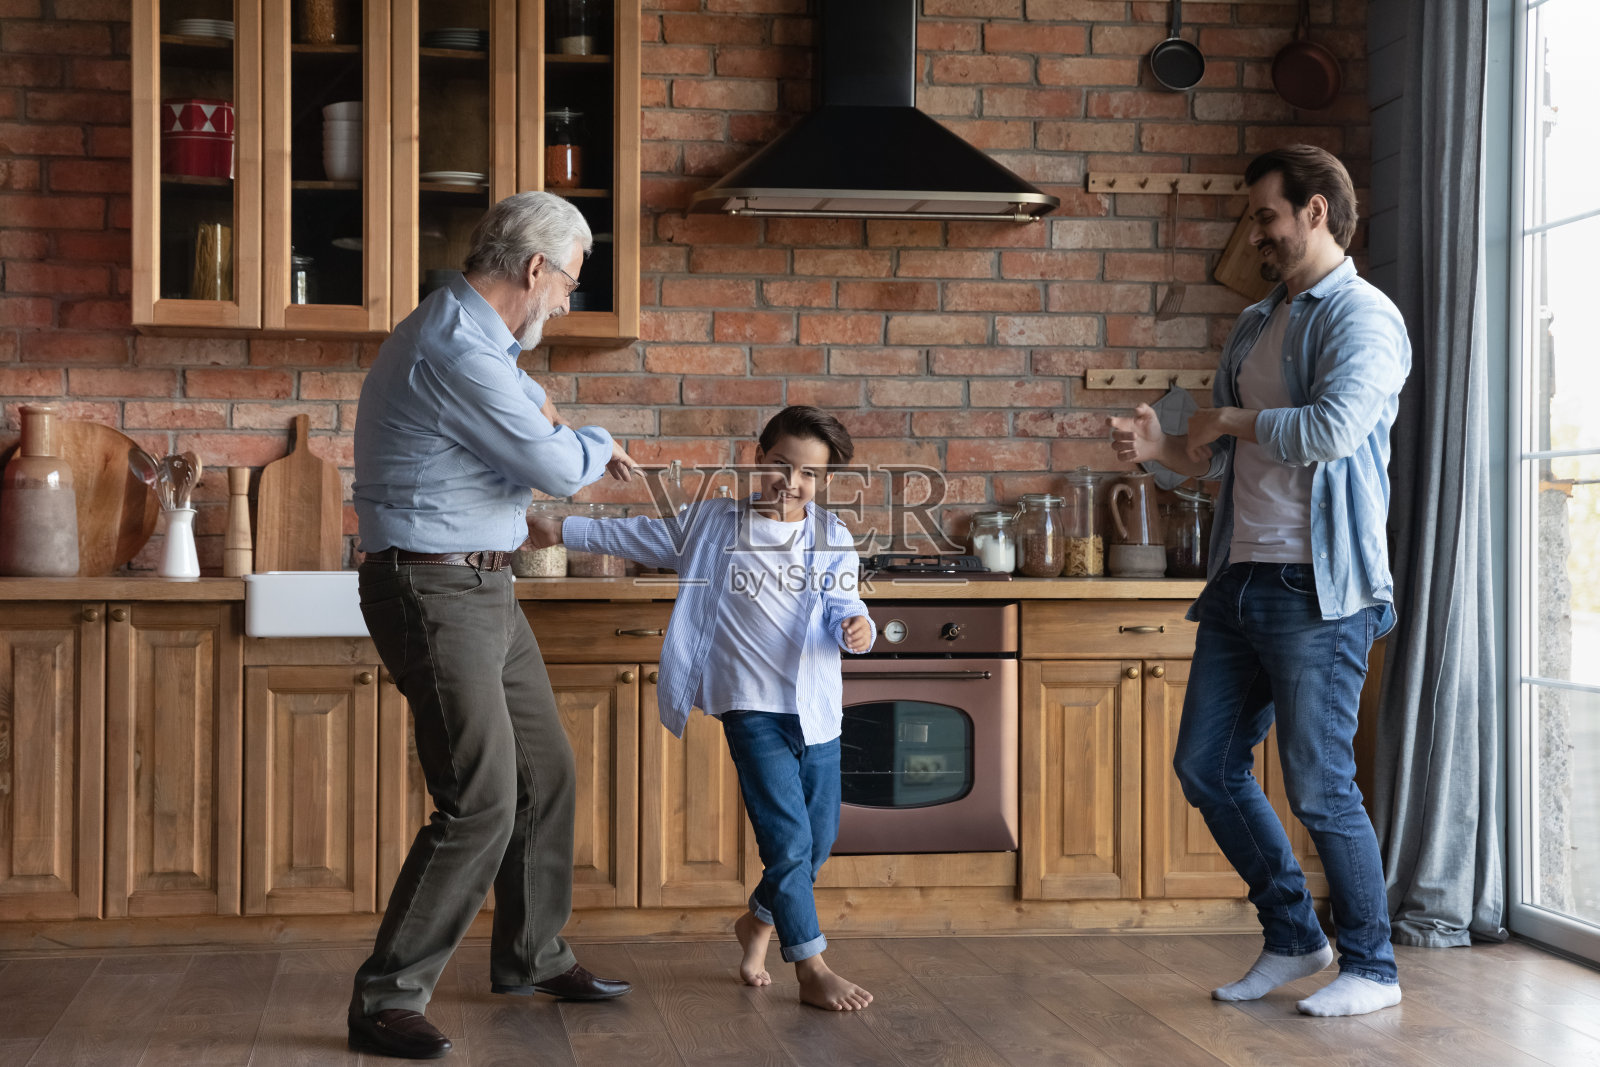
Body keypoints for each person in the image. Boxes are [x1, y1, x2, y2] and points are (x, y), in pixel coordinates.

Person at [1110, 145, 1411, 1018]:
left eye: (1266, 216)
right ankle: (1293, 935)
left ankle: (1373, 967)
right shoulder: (1254, 322)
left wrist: (1230, 419)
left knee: (1320, 784)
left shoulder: (1364, 315)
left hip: (1321, 588)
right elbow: (1212, 458)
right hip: (1241, 576)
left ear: (1316, 211)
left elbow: (1333, 429)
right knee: (1205, 765)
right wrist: (1161, 449)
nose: (1257, 234)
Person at [347, 191, 641, 1060]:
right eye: (570, 283)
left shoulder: (483, 346)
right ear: (536, 267)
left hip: (483, 584)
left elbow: (534, 416)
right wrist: (594, 438)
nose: (567, 302)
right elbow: (556, 464)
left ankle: (531, 954)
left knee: (546, 772)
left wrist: (559, 430)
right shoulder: (454, 347)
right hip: (434, 587)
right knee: (477, 798)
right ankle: (385, 999)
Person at [527, 405, 878, 1012]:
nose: (791, 483)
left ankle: (757, 923)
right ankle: (812, 967)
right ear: (757, 458)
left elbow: (842, 603)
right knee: (788, 842)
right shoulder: (712, 525)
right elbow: (636, 533)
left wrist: (858, 626)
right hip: (751, 709)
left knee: (817, 841)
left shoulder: (833, 536)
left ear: (824, 481)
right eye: (781, 465)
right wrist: (560, 529)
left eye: (809, 475)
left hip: (816, 710)